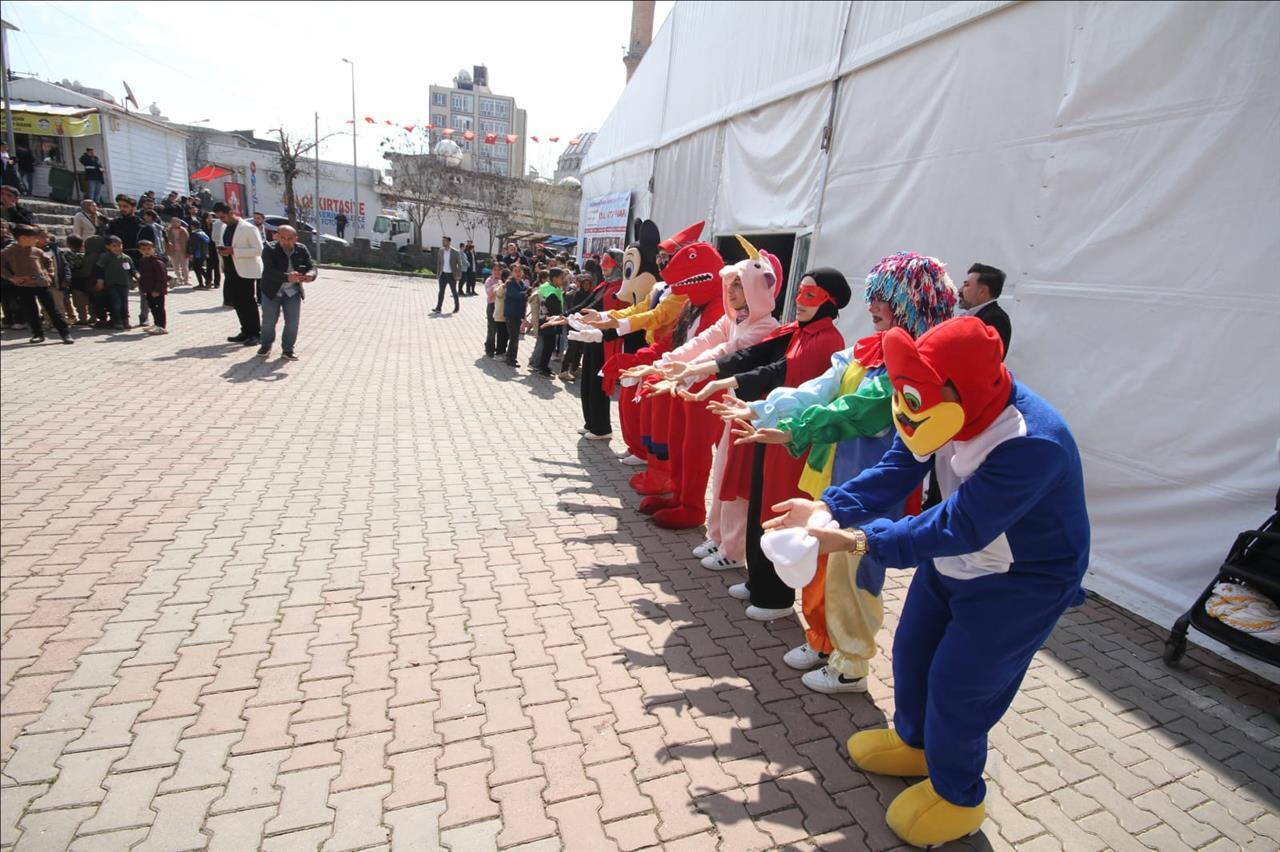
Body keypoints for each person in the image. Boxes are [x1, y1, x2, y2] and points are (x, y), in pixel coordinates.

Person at [766, 317, 1089, 848]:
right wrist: (828, 507)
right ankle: (916, 744)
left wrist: (853, 540)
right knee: (913, 654)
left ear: (963, 390)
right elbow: (898, 466)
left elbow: (957, 525)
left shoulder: (1033, 442)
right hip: (957, 561)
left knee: (961, 686)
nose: (908, 414)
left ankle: (959, 795)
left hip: (1022, 578)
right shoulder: (931, 404)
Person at [724, 252, 957, 692]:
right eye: (873, 297)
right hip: (831, 477)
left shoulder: (914, 363)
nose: (873, 306)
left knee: (854, 576)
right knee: (820, 567)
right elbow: (820, 389)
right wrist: (763, 408)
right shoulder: (866, 349)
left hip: (872, 484)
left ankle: (851, 663)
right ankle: (822, 641)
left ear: (911, 304)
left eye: (885, 299)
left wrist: (793, 428)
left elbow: (859, 410)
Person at [677, 269, 851, 619]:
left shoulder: (826, 341)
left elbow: (778, 373)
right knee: (758, 503)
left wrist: (725, 382)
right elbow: (754, 356)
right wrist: (712, 372)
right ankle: (758, 580)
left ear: (830, 302)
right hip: (767, 426)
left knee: (777, 511)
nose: (799, 301)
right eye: (799, 292)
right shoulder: (796, 331)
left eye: (811, 295)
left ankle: (776, 598)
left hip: (792, 440)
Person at [1, 224, 73, 343]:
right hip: (24, 285)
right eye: (34, 237)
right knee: (30, 311)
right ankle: (37, 334)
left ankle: (65, 333)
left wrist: (50, 274)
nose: (36, 240)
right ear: (23, 238)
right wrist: (12, 278)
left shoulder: (37, 251)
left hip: (42, 284)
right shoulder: (9, 251)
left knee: (52, 309)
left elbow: (48, 262)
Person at [256, 225, 316, 361]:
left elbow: (311, 266)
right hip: (272, 291)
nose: (286, 241)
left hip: (292, 292)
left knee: (292, 322)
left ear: (296, 238)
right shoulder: (269, 249)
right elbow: (269, 271)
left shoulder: (301, 249)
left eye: (290, 238)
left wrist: (310, 275)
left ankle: (288, 349)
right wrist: (287, 277)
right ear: (277, 237)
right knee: (269, 321)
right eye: (283, 238)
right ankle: (266, 346)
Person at [213, 201, 264, 345]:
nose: (221, 220)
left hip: (245, 271)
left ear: (231, 213)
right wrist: (223, 251)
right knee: (237, 302)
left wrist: (234, 251)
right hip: (231, 269)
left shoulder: (248, 228)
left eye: (223, 217)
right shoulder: (225, 227)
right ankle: (245, 331)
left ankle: (255, 333)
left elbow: (259, 250)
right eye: (219, 218)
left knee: (248, 301)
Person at [959, 262, 1011, 357]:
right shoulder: (976, 315)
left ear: (982, 292)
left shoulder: (996, 319)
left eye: (966, 285)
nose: (960, 290)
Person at [531, 267, 567, 376]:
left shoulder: (547, 287)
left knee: (547, 345)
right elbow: (555, 310)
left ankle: (543, 366)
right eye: (561, 278)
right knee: (548, 347)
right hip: (549, 322)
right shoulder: (551, 292)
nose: (563, 280)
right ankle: (542, 368)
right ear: (554, 278)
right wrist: (562, 316)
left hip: (545, 320)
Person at [96, 236, 136, 328]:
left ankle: (125, 320)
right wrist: (100, 281)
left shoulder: (126, 258)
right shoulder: (105, 257)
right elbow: (99, 269)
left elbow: (132, 270)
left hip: (124, 284)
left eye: (119, 245)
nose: (117, 248)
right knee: (116, 303)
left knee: (124, 303)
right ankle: (117, 321)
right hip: (112, 284)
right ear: (108, 246)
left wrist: (138, 277)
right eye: (114, 246)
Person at [136, 240, 170, 334]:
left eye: (149, 249)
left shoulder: (157, 262)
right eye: (143, 249)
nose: (146, 251)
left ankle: (161, 326)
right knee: (152, 307)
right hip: (148, 289)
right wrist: (142, 287)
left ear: (153, 249)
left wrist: (157, 290)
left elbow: (161, 277)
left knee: (159, 307)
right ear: (140, 251)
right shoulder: (143, 261)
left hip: (157, 289)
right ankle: (156, 324)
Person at [502, 264, 531, 366]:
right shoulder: (510, 283)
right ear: (512, 273)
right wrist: (527, 292)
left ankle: (510, 357)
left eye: (520, 271)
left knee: (515, 337)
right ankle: (511, 359)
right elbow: (516, 295)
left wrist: (529, 292)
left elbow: (525, 295)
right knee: (514, 337)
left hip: (518, 314)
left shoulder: (522, 283)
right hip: (511, 314)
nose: (518, 273)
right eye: (515, 271)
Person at [434, 235, 461, 313]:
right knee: (441, 292)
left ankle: (457, 307)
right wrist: (438, 273)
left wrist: (458, 275)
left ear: (449, 242)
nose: (443, 242)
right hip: (443, 274)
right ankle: (438, 308)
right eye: (442, 241)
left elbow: (460, 264)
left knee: (454, 291)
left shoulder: (455, 252)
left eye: (444, 241)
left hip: (452, 275)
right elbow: (439, 263)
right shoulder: (441, 250)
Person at [483, 263, 505, 357]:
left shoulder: (504, 280)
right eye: (495, 269)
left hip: (502, 306)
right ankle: (489, 348)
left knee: (501, 330)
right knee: (492, 328)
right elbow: (489, 293)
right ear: (492, 270)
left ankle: (500, 349)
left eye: (499, 270)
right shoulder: (489, 280)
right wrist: (497, 285)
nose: (497, 272)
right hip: (492, 306)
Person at [166, 218, 190, 287]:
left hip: (183, 251)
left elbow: (188, 241)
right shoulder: (168, 231)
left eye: (176, 222)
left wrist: (188, 251)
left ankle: (186, 280)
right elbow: (166, 240)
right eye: (173, 222)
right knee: (176, 267)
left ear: (179, 223)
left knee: (185, 266)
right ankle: (179, 279)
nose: (174, 223)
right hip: (173, 251)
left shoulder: (183, 230)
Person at [188, 223, 210, 288]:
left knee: (196, 268)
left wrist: (191, 253)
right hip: (204, 253)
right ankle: (208, 280)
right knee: (200, 267)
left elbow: (193, 245)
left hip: (197, 254)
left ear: (193, 226)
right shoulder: (203, 233)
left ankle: (201, 283)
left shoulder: (194, 234)